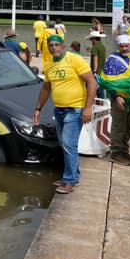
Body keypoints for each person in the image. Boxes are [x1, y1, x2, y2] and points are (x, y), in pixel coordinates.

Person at [32, 34, 97, 194]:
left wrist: (88, 108)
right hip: (59, 110)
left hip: (75, 109)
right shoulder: (48, 65)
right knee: (65, 144)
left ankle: (70, 181)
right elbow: (46, 88)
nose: (54, 48)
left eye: (56, 45)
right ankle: (71, 176)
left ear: (63, 45)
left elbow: (91, 82)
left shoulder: (74, 60)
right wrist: (38, 108)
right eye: (51, 45)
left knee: (68, 144)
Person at [102, 35, 130, 165]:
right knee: (119, 126)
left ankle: (124, 151)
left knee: (129, 126)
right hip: (119, 97)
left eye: (127, 46)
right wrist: (116, 96)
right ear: (118, 46)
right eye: (121, 46)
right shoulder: (113, 59)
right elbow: (107, 80)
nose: (124, 48)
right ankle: (116, 153)